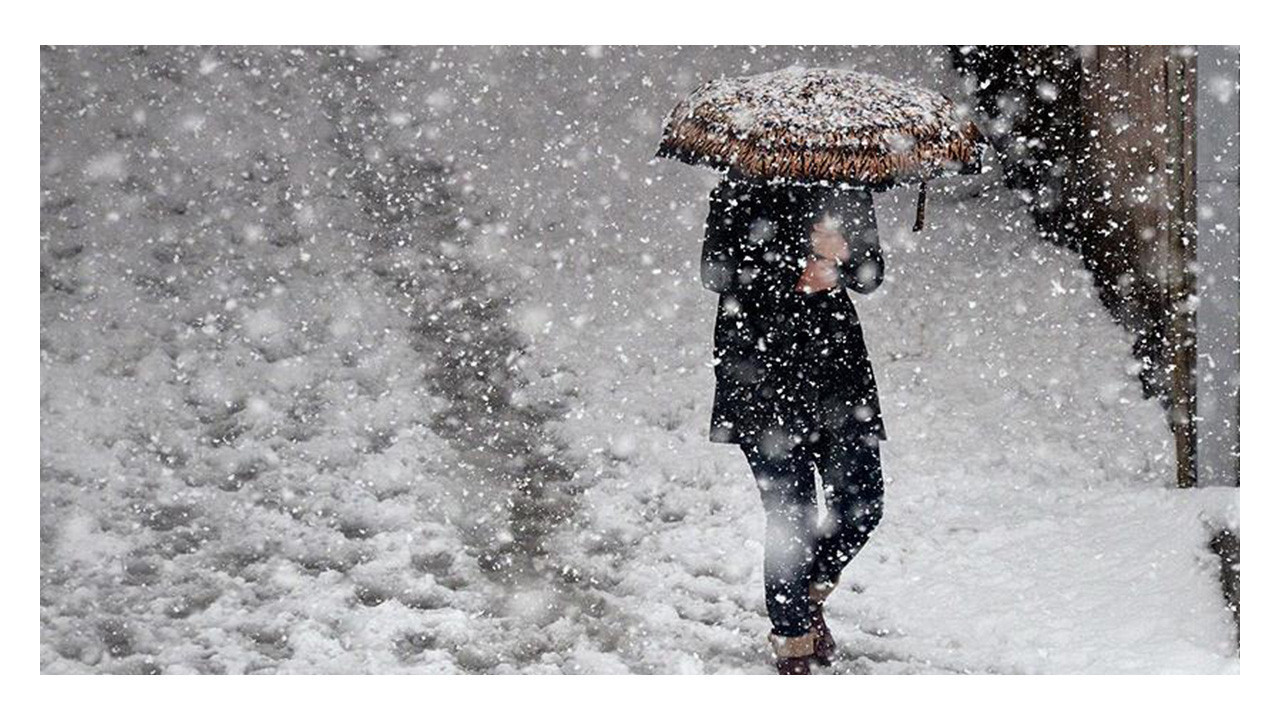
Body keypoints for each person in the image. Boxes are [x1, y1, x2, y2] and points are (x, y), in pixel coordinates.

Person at [701, 173, 887, 674]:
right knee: (792, 518)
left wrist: (844, 257)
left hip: (837, 374)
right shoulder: (740, 184)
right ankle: (793, 642)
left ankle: (804, 597)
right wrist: (797, 264)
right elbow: (717, 272)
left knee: (863, 504)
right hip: (761, 372)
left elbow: (871, 274)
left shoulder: (846, 182)